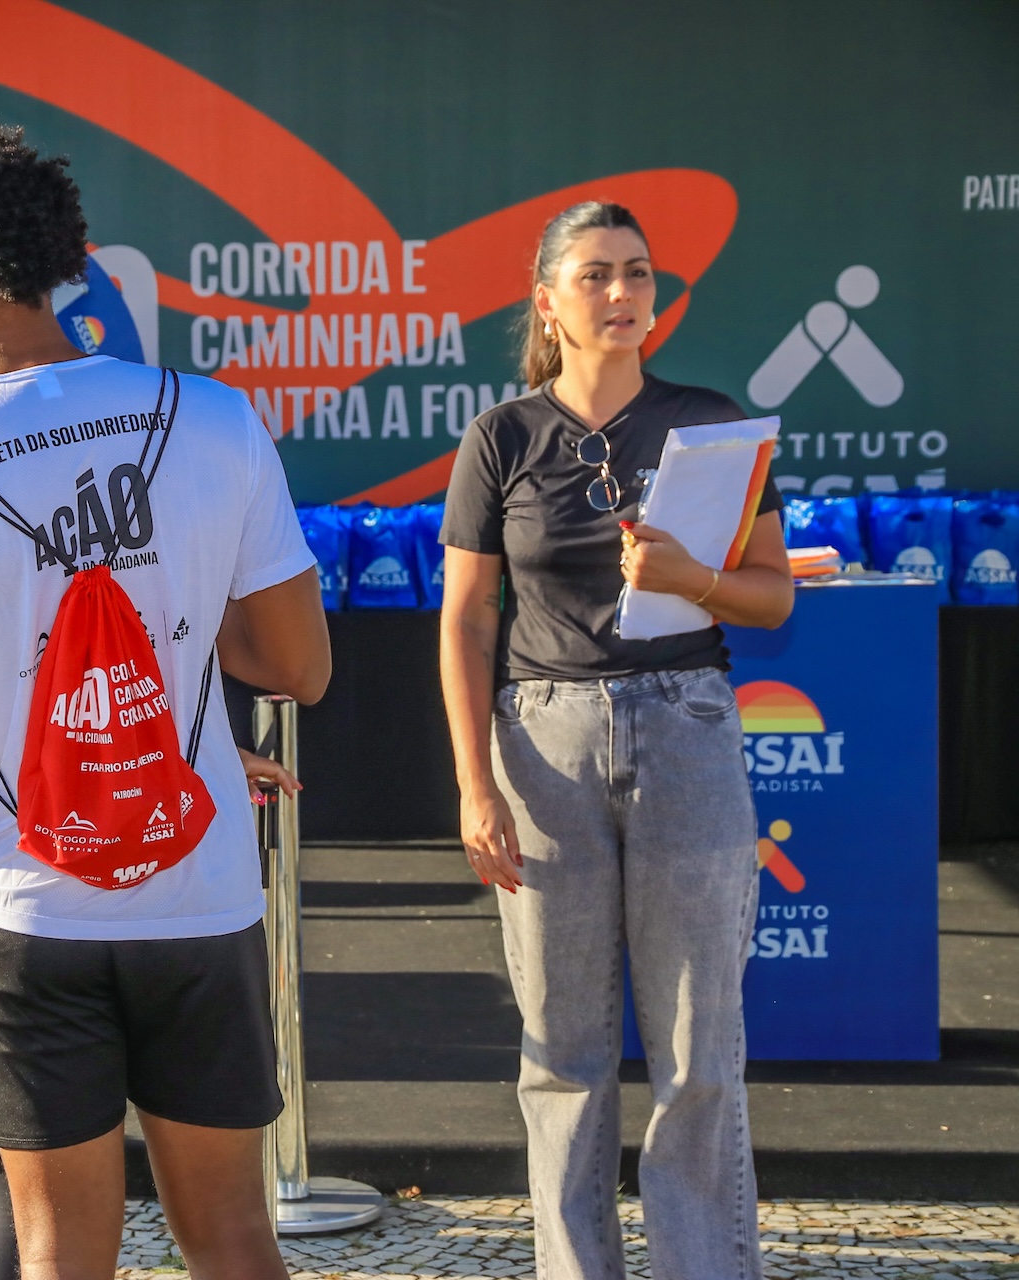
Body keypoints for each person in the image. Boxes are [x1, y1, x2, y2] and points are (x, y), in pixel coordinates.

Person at [0, 123, 328, 1280]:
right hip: (200, 890)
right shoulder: (214, 417)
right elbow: (297, 666)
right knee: (235, 1236)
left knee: (57, 1250)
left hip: (22, 911)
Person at [438, 201, 794, 1280]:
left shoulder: (711, 426)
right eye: (594, 274)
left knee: (698, 1053)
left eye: (637, 272)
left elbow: (772, 596)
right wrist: (474, 785)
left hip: (687, 727)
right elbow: (466, 619)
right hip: (542, 746)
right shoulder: (502, 436)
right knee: (563, 1054)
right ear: (547, 300)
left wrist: (693, 579)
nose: (622, 292)